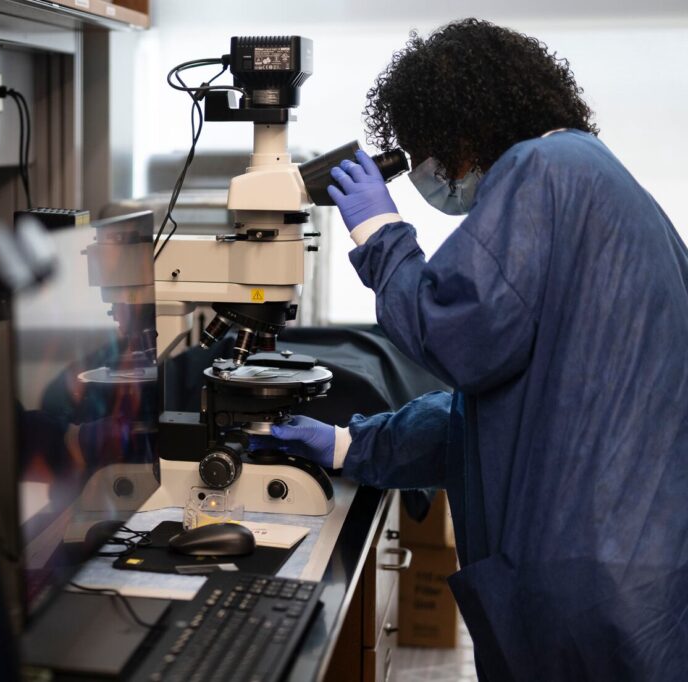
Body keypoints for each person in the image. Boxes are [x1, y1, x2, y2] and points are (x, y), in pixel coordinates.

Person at [266, 18, 688, 681]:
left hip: (590, 583)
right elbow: (503, 411)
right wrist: (355, 444)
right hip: (624, 569)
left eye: (420, 149)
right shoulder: (594, 179)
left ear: (460, 128)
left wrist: (380, 236)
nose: (425, 171)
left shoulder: (540, 169)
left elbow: (457, 335)